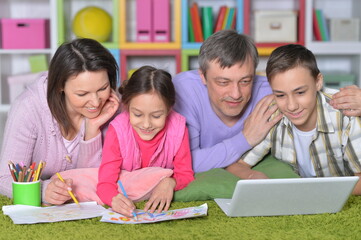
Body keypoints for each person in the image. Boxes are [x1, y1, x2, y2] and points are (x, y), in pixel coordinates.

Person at [227, 44, 361, 195]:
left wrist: (313, 192)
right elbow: (237, 164)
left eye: (300, 92)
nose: (291, 106)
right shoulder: (272, 116)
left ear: (318, 82)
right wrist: (253, 176)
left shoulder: (345, 114)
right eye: (280, 95)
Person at [0, 38, 120, 204]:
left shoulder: (112, 107)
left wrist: (92, 129)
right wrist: (43, 190)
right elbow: (4, 178)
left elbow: (95, 177)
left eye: (102, 88)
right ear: (59, 86)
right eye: (82, 94)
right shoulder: (28, 108)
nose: (95, 102)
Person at [172, 30, 283, 173]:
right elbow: (183, 162)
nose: (236, 94)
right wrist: (245, 139)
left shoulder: (271, 92)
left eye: (245, 81)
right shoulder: (183, 89)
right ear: (203, 76)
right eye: (223, 82)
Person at [97, 66, 194, 217]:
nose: (146, 124)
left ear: (169, 109)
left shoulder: (179, 128)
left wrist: (169, 182)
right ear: (126, 106)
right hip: (128, 188)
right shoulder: (118, 129)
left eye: (156, 116)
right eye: (137, 114)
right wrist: (113, 199)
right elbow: (105, 182)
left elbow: (186, 174)